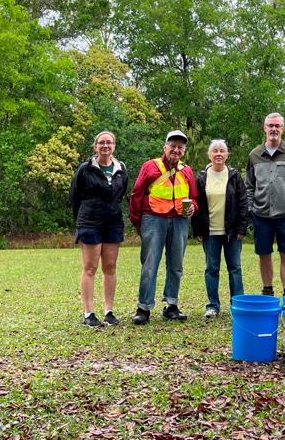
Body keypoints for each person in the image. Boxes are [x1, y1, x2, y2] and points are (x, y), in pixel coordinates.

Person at [128, 130, 199, 325]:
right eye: (173, 146)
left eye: (180, 147)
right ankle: (143, 308)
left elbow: (194, 197)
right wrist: (137, 222)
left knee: (176, 265)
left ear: (184, 151)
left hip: (179, 220)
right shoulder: (150, 166)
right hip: (153, 219)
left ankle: (172, 306)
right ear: (165, 147)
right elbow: (136, 195)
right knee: (149, 265)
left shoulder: (187, 171)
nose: (176, 150)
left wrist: (193, 206)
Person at [69, 131, 129, 327]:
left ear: (114, 146)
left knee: (110, 268)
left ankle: (108, 312)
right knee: (90, 268)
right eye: (101, 143)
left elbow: (120, 196)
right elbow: (74, 197)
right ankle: (88, 314)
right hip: (89, 223)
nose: (105, 146)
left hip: (113, 223)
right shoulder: (85, 169)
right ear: (95, 146)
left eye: (109, 143)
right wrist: (84, 218)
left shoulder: (121, 169)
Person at [245, 112, 285, 297]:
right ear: (264, 128)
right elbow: (249, 185)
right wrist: (251, 209)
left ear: (282, 129)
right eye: (270, 125)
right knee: (264, 254)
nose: (273, 129)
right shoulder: (254, 155)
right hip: (261, 215)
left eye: (277, 126)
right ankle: (267, 290)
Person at [191, 139, 248, 318]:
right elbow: (196, 203)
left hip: (231, 232)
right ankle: (212, 306)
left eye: (222, 151)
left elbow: (243, 203)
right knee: (211, 269)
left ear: (226, 155)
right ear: (209, 155)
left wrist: (241, 228)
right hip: (210, 232)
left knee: (235, 268)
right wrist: (197, 229)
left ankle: (237, 304)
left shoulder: (234, 175)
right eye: (214, 151)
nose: (218, 154)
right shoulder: (201, 177)